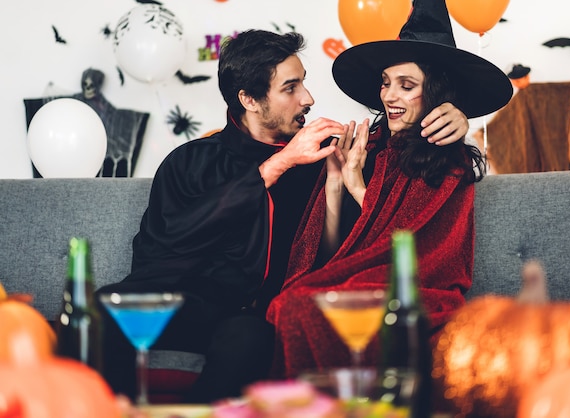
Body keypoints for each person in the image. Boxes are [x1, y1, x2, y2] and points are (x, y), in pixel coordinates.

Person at [96, 27, 472, 403]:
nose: (308, 99)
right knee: (101, 308)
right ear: (250, 99)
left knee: (249, 338)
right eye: (291, 88)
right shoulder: (189, 161)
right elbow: (161, 250)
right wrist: (277, 165)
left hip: (247, 318)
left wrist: (455, 116)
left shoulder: (316, 160)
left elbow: (345, 244)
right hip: (179, 304)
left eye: (303, 84)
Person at [266, 0, 513, 378]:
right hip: (355, 284)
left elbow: (415, 252)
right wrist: (335, 185)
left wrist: (358, 187)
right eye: (385, 82)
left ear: (434, 92)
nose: (389, 96)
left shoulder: (447, 157)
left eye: (406, 85)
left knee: (303, 307)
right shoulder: (368, 146)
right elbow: (334, 257)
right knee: (292, 303)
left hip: (418, 294)